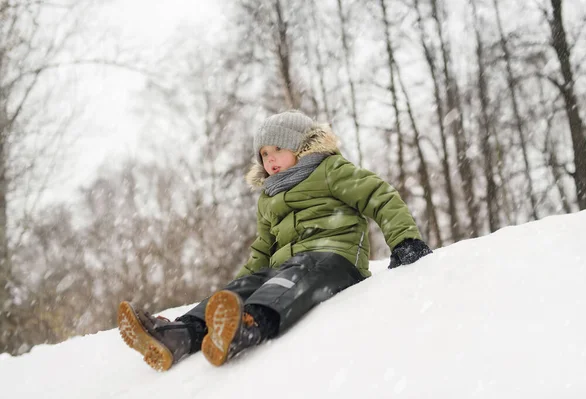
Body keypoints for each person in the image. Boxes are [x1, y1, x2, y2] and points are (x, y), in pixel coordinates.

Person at [117, 110, 433, 371]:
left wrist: (405, 241)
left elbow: (380, 196)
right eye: (264, 155)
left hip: (335, 260)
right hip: (286, 267)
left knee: (301, 271)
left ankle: (248, 324)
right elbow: (262, 251)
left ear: (300, 147)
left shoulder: (330, 170)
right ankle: (179, 334)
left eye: (277, 150)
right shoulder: (269, 197)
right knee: (255, 281)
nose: (270, 161)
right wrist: (237, 289)